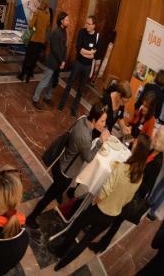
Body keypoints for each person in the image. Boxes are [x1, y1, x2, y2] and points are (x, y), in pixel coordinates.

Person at [49, 134, 150, 271]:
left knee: (77, 225)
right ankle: (62, 265)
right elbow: (127, 199)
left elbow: (104, 191)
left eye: (136, 142)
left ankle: (60, 251)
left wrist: (95, 202)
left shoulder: (121, 168)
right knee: (86, 240)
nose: (133, 142)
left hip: (101, 209)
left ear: (137, 150)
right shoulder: (140, 177)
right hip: (112, 215)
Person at [26, 102, 111, 228]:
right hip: (65, 174)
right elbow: (88, 157)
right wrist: (100, 142)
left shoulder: (82, 118)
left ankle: (58, 193)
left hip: (60, 161)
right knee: (48, 197)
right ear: (94, 119)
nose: (104, 125)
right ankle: (31, 218)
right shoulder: (85, 139)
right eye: (102, 121)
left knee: (56, 190)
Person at [90, 129, 164, 253]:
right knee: (114, 218)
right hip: (128, 189)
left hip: (131, 196)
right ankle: (96, 231)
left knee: (116, 222)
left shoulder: (157, 162)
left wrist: (133, 181)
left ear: (160, 141)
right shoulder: (152, 151)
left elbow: (147, 188)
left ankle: (101, 244)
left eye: (156, 135)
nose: (153, 135)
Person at [58, 16, 99, 117]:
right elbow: (79, 49)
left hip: (88, 66)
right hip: (78, 63)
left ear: (94, 25)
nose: (87, 25)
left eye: (89, 24)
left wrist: (86, 53)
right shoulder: (82, 32)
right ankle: (61, 104)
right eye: (86, 23)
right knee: (70, 83)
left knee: (81, 89)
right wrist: (89, 53)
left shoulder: (97, 36)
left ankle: (74, 108)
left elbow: (95, 54)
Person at [33, 11, 69, 109]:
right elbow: (55, 49)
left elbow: (65, 47)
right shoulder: (55, 32)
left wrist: (64, 60)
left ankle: (47, 97)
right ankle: (35, 99)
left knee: (53, 81)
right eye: (66, 20)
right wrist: (61, 61)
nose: (68, 21)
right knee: (45, 81)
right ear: (61, 21)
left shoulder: (64, 31)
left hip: (59, 62)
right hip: (53, 62)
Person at [18, 0, 51, 82]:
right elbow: (48, 25)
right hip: (41, 40)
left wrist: (32, 20)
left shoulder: (37, 12)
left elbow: (31, 25)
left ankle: (22, 75)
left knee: (28, 57)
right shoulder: (48, 14)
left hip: (34, 39)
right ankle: (29, 76)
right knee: (35, 58)